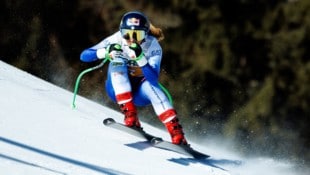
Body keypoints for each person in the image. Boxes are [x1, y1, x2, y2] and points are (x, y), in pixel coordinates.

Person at [80, 11, 187, 145]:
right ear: (121, 31)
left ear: (146, 33)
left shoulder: (152, 46)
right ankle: (130, 116)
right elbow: (84, 56)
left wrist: (141, 59)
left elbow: (153, 79)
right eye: (127, 34)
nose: (131, 39)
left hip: (139, 93)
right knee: (117, 61)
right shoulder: (117, 38)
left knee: (153, 88)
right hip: (116, 89)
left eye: (138, 34)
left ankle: (177, 134)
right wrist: (105, 52)